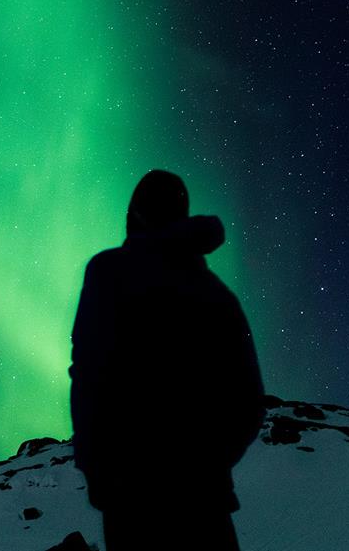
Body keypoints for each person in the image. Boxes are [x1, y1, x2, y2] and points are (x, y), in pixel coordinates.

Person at [69, 170, 265, 550]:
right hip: (206, 502)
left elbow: (88, 374)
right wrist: (207, 466)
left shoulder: (109, 272)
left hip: (130, 496)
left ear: (134, 216)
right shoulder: (218, 295)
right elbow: (248, 399)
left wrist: (98, 470)